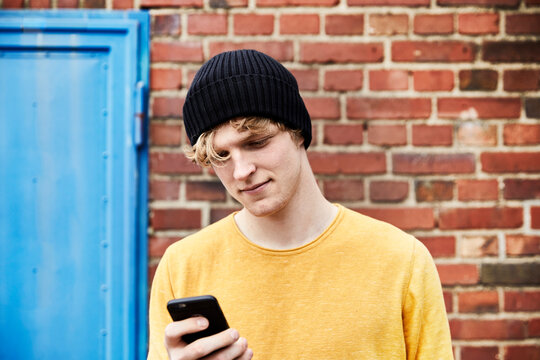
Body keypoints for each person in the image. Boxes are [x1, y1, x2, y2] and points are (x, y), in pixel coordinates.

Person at [147, 49, 453, 360]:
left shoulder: (401, 260)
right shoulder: (182, 266)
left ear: (297, 132)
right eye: (221, 156)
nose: (240, 172)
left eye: (256, 143)